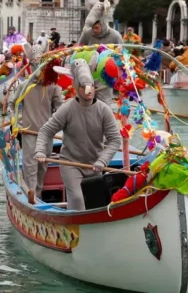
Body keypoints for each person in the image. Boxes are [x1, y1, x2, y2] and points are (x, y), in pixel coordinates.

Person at [34, 60, 123, 211]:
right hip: (70, 163)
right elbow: (46, 131)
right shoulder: (67, 108)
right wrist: (40, 151)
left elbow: (115, 139)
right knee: (77, 198)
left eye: (91, 87)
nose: (88, 91)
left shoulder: (104, 110)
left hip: (95, 164)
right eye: (83, 87)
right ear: (76, 87)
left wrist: (103, 160)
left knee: (95, 202)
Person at [14, 48, 64, 204]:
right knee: (30, 165)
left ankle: (38, 195)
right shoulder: (24, 85)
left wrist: (58, 123)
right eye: (35, 63)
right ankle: (32, 196)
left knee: (42, 165)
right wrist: (16, 122)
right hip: (28, 131)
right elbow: (12, 104)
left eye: (40, 63)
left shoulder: (53, 86)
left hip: (46, 133)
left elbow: (60, 109)